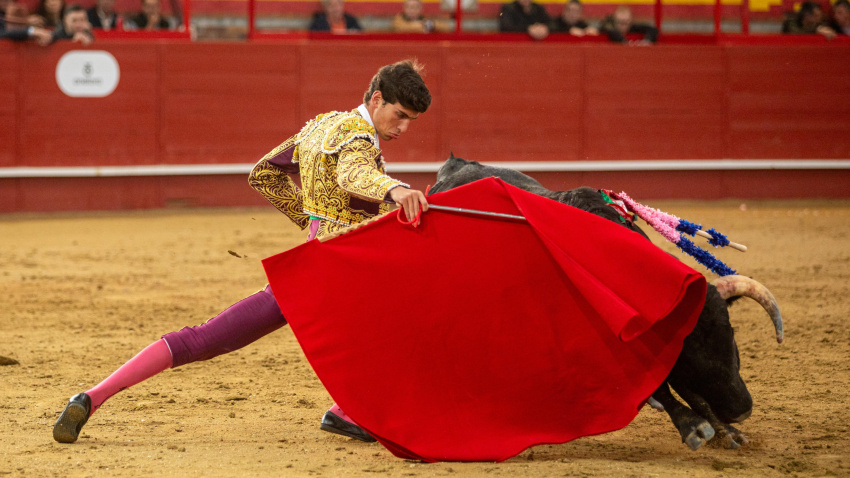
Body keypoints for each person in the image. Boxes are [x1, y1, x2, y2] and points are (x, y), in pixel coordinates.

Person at [52, 59, 431, 445]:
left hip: (310, 267)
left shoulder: (322, 125)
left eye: (410, 121)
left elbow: (264, 174)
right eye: (399, 115)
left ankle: (91, 396)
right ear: (378, 98)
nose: (402, 127)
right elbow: (354, 174)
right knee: (410, 318)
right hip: (341, 273)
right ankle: (349, 410)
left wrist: (313, 222)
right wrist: (395, 190)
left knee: (202, 339)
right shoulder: (358, 138)